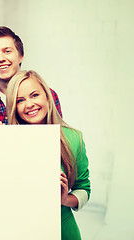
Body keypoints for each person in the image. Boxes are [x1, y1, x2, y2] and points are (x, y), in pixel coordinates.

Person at [6, 70, 90, 240]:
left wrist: (65, 199)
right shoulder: (8, 143)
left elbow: (84, 188)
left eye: (34, 95)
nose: (29, 104)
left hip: (62, 230)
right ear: (14, 107)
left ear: (47, 96)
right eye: (20, 100)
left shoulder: (73, 138)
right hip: (20, 230)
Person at [0, 25, 62, 124]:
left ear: (21, 56)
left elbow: (56, 135)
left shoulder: (47, 95)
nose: (1, 59)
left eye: (7, 51)